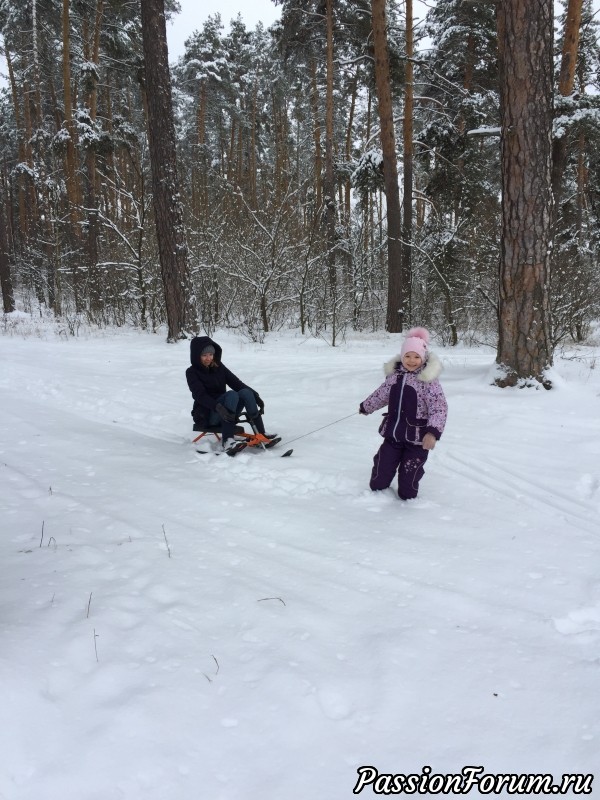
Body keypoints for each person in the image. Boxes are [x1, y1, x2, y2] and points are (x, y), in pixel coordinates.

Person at [359, 327, 447, 500]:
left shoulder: (428, 381)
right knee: (380, 477)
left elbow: (439, 407)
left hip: (417, 440)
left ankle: (407, 505)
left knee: (408, 486)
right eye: (407, 356)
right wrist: (366, 406)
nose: (412, 361)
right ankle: (378, 494)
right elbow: (382, 394)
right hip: (393, 435)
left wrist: (432, 432)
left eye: (416, 357)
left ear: (423, 357)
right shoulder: (395, 376)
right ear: (402, 356)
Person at [186, 336, 269, 451]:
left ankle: (262, 434)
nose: (208, 358)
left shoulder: (219, 367)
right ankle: (228, 441)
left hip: (227, 412)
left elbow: (237, 383)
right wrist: (218, 407)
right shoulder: (191, 372)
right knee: (232, 394)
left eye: (210, 354)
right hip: (208, 415)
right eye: (204, 355)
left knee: (245, 392)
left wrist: (256, 397)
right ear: (197, 356)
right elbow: (199, 395)